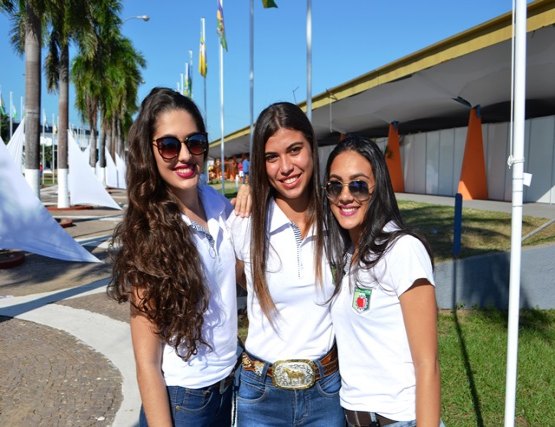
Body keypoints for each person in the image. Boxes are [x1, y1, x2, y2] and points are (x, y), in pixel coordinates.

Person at [108, 87, 239, 426]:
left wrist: (254, 192)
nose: (184, 155)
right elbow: (147, 361)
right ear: (149, 153)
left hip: (227, 389)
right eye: (168, 145)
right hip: (185, 401)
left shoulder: (220, 207)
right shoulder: (149, 234)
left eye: (194, 142)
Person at [228, 102, 344, 426]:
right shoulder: (244, 223)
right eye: (272, 157)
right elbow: (239, 281)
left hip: (326, 392)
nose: (286, 167)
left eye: (295, 150)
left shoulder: (338, 219)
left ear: (312, 147)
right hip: (260, 395)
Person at [323, 135, 442, 427]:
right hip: (354, 418)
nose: (345, 196)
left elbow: (428, 364)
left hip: (398, 420)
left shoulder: (403, 250)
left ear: (379, 190)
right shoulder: (348, 253)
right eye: (335, 185)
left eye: (359, 185)